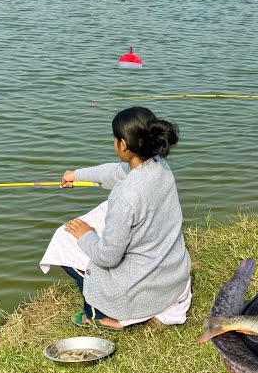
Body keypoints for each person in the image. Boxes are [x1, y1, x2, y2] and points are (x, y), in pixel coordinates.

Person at [39, 107, 192, 329]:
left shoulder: (126, 194)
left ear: (123, 145)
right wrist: (76, 175)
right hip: (172, 275)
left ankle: (98, 314)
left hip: (145, 284)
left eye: (115, 138)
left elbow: (107, 257)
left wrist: (86, 235)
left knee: (64, 240)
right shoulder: (159, 166)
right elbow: (114, 172)